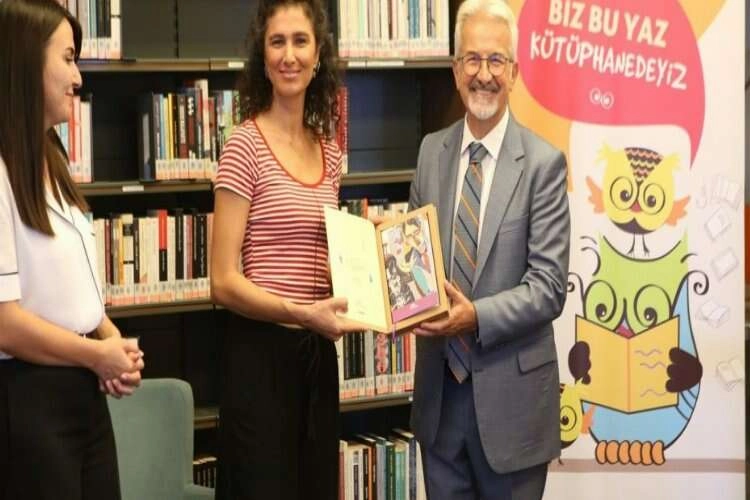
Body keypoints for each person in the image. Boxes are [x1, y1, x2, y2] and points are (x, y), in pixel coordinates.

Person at [408, 0, 571, 498]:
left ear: (514, 72)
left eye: (496, 60)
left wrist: (473, 316)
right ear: (455, 71)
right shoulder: (430, 152)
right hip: (440, 405)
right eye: (472, 60)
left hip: (513, 409)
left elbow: (548, 288)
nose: (484, 74)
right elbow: (413, 261)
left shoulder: (543, 164)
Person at [209, 1, 361, 498]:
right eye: (277, 42)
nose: (289, 55)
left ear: (318, 56)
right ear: (263, 55)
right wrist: (300, 312)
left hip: (317, 358)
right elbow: (222, 282)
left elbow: (327, 259)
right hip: (260, 359)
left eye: (300, 41)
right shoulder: (244, 145)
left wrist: (374, 256)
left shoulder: (330, 153)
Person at [0, 1, 145, 498]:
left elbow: (70, 287)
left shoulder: (51, 154)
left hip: (83, 393)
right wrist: (95, 355)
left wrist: (111, 339)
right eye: (67, 58)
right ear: (25, 62)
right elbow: (5, 323)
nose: (78, 77)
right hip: (29, 400)